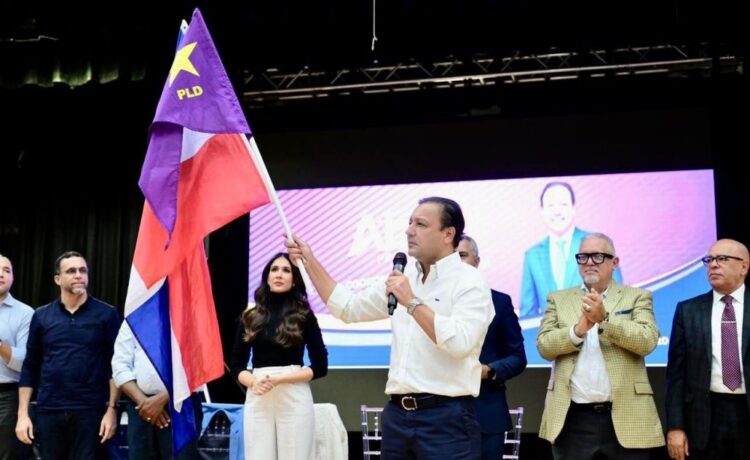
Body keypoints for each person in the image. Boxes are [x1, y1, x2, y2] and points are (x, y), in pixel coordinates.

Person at [286, 196, 494, 460]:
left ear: (448, 234)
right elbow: (348, 308)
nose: (409, 230)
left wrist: (412, 302)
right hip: (397, 417)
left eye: (420, 224)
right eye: (410, 222)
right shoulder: (405, 278)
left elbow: (460, 343)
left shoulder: (469, 282)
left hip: (446, 419)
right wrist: (309, 261)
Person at [537, 233, 664, 460]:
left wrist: (604, 320)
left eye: (597, 256)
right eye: (583, 257)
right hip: (573, 419)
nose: (589, 263)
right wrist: (577, 331)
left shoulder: (637, 296)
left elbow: (647, 341)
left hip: (626, 415)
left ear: (614, 262)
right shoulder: (558, 299)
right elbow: (544, 347)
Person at [16, 251, 121, 459]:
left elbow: (116, 366)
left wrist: (112, 410)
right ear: (58, 279)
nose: (78, 275)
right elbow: (30, 366)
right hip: (49, 409)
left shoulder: (107, 314)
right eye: (71, 271)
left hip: (91, 411)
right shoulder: (41, 316)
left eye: (83, 270)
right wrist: (22, 414)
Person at [230, 252, 328, 460]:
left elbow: (321, 366)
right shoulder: (250, 317)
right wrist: (253, 382)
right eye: (274, 269)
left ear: (294, 280)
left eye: (286, 270)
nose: (279, 274)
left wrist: (281, 379)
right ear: (267, 277)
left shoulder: (304, 315)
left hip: (293, 392)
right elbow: (236, 365)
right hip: (259, 391)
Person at [665, 238, 750, 460]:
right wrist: (675, 426)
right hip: (705, 418)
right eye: (709, 260)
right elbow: (676, 376)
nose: (713, 264)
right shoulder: (688, 310)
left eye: (722, 259)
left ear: (744, 266)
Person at [457, 237, 527, 460]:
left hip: (485, 413)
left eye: (462, 255)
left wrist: (489, 370)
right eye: (450, 258)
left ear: (477, 261)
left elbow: (517, 357)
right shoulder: (429, 304)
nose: (456, 262)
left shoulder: (499, 302)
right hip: (437, 419)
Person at [520, 181, 622, 319]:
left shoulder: (599, 245)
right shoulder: (532, 256)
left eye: (563, 204)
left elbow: (618, 302)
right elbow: (528, 315)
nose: (557, 211)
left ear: (573, 208)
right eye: (550, 205)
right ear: (542, 211)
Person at [111, 321, 203, 460]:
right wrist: (145, 402)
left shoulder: (192, 316)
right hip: (140, 407)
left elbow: (200, 365)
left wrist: (162, 399)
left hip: (181, 406)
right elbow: (120, 366)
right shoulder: (135, 316)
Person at [0, 255, 33, 460]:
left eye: (6, 270)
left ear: (13, 277)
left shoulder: (25, 313)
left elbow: (25, 362)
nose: (1, 274)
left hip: (7, 397)